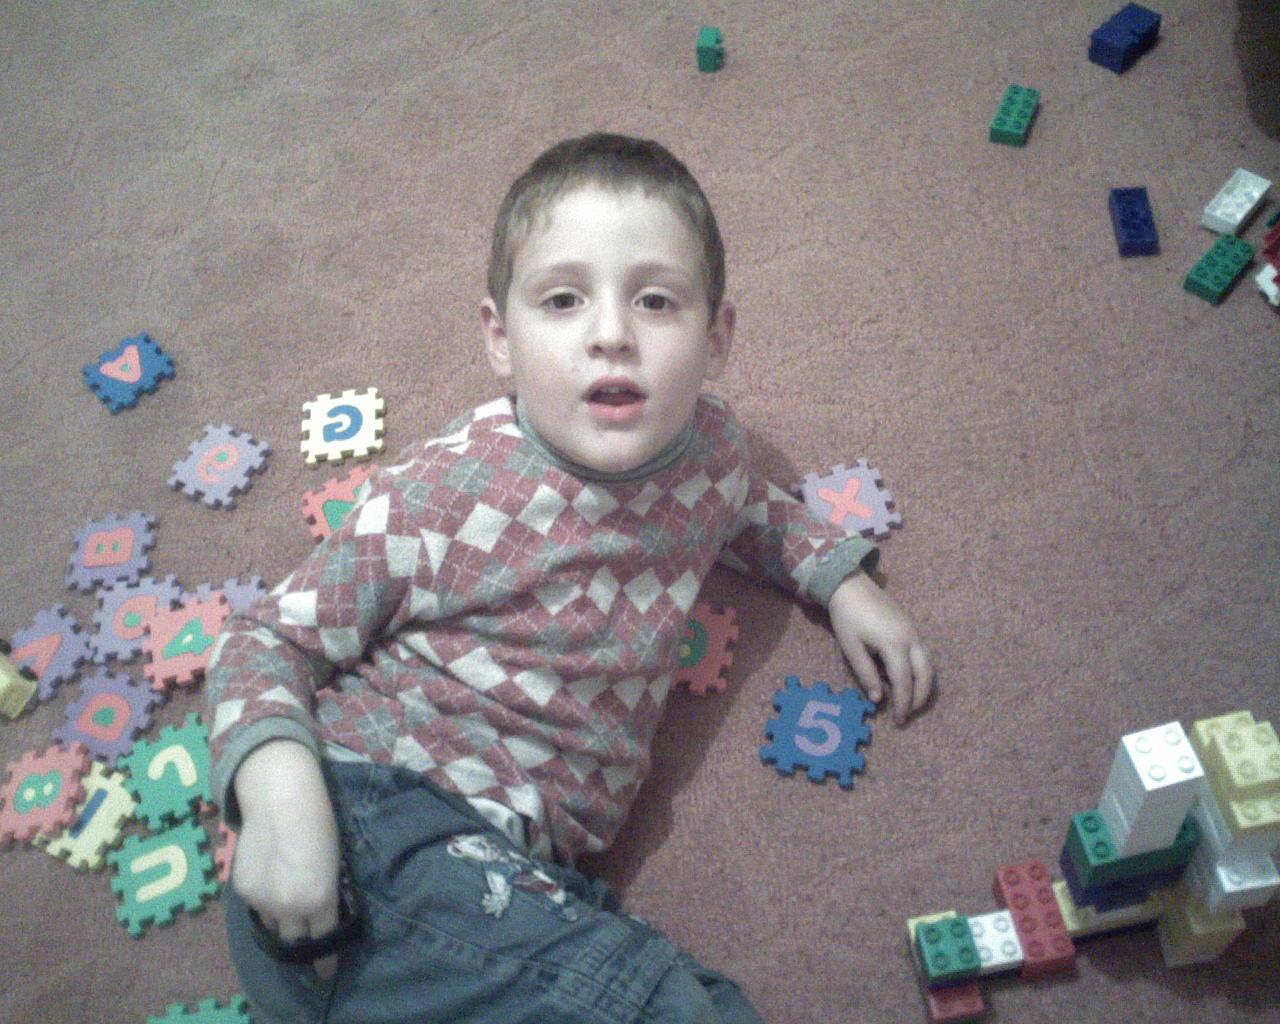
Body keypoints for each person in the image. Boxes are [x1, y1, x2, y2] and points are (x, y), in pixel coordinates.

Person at [207, 132, 935, 1023]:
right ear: (500, 338)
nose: (612, 335)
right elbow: (264, 639)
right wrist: (284, 803)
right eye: (562, 300)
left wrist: (842, 582)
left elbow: (751, 505)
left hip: (521, 880)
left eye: (656, 301)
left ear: (717, 338)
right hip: (376, 830)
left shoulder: (710, 451)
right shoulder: (448, 487)